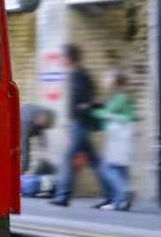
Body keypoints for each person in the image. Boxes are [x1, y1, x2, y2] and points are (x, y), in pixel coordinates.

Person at [50, 43, 109, 207]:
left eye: (63, 56)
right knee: (95, 161)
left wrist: (81, 110)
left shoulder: (79, 75)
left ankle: (63, 196)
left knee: (68, 158)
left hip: (80, 125)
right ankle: (113, 194)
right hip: (81, 124)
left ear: (69, 58)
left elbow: (84, 101)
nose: (61, 59)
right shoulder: (81, 74)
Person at [91, 70, 136, 211]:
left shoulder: (120, 98)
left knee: (107, 167)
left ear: (115, 82)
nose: (105, 80)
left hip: (118, 137)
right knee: (120, 169)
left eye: (108, 77)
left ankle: (124, 193)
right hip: (122, 136)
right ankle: (119, 202)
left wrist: (93, 111)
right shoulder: (121, 96)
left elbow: (125, 116)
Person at [20, 103, 55, 174]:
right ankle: (23, 168)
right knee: (23, 147)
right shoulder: (26, 122)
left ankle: (43, 164)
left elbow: (43, 140)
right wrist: (24, 169)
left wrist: (45, 158)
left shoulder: (44, 114)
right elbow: (26, 147)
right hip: (22, 123)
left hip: (32, 120)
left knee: (43, 143)